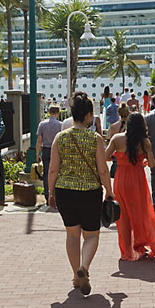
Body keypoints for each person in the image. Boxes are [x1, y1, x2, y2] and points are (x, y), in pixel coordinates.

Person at [47, 92, 114, 295]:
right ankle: (84, 267)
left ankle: (76, 277)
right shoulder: (95, 139)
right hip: (90, 192)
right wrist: (109, 192)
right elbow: (103, 170)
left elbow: (53, 169)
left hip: (65, 192)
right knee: (91, 235)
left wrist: (51, 192)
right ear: (87, 115)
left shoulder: (61, 137)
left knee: (72, 234)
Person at [105, 113, 155, 260]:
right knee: (139, 213)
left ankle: (126, 251)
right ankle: (139, 245)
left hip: (121, 178)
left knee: (122, 216)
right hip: (137, 180)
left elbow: (105, 156)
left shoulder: (117, 139)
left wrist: (119, 158)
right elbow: (153, 164)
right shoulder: (144, 142)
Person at [36, 105, 63, 205]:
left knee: (47, 172)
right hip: (56, 150)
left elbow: (39, 140)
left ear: (49, 112)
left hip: (45, 150)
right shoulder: (60, 125)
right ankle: (55, 195)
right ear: (57, 113)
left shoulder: (42, 124)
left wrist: (37, 154)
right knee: (57, 172)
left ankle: (48, 196)